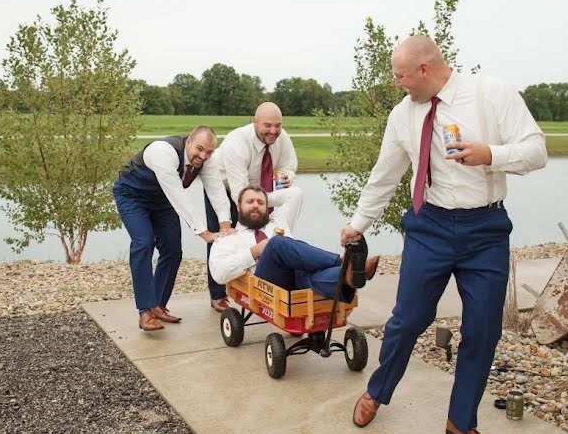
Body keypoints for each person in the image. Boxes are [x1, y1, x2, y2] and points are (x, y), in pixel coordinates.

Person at [339, 35, 547, 434]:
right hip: (428, 226)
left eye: (401, 76)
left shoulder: (492, 94)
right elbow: (386, 174)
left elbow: (537, 152)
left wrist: (491, 153)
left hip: (485, 229)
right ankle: (378, 390)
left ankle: (461, 421)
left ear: (424, 70)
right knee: (408, 320)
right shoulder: (403, 115)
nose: (398, 85)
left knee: (483, 330)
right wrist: (358, 224)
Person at [113, 126, 233, 332]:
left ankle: (157, 305)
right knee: (144, 243)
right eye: (199, 149)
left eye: (209, 152)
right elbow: (178, 196)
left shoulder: (207, 160)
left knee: (173, 249)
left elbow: (216, 190)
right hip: (133, 195)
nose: (203, 156)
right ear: (188, 141)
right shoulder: (163, 152)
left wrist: (225, 225)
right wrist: (204, 233)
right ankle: (144, 311)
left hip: (162, 201)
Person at [205, 102, 304, 312]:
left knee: (261, 233)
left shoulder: (281, 137)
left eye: (278, 125)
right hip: (225, 187)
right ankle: (219, 293)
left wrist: (287, 177)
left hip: (259, 189)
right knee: (223, 238)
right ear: (254, 122)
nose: (274, 131)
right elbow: (240, 193)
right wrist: (261, 202)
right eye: (268, 125)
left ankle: (257, 281)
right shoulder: (236, 142)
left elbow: (289, 165)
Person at [210, 186, 378, 301]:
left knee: (316, 277)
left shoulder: (278, 219)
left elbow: (296, 193)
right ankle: (341, 261)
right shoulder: (228, 237)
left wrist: (265, 196)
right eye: (250, 202)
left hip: (298, 276)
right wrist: (254, 251)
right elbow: (218, 274)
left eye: (261, 203)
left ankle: (354, 274)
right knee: (276, 244)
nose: (256, 206)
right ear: (238, 206)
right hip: (267, 283)